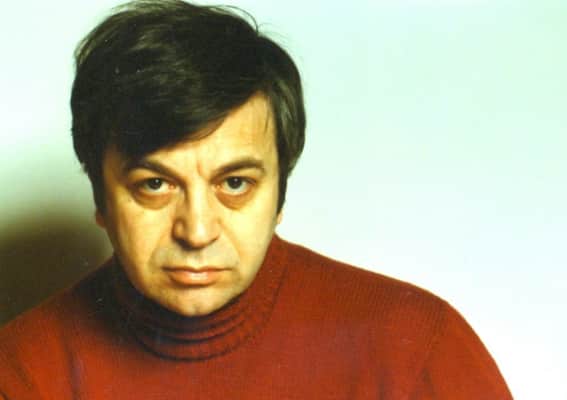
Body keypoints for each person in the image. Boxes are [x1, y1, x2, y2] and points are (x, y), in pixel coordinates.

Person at [0, 1, 512, 398]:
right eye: (154, 184)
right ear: (101, 198)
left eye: (234, 183)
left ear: (279, 194)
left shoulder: (417, 349)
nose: (197, 231)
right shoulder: (20, 369)